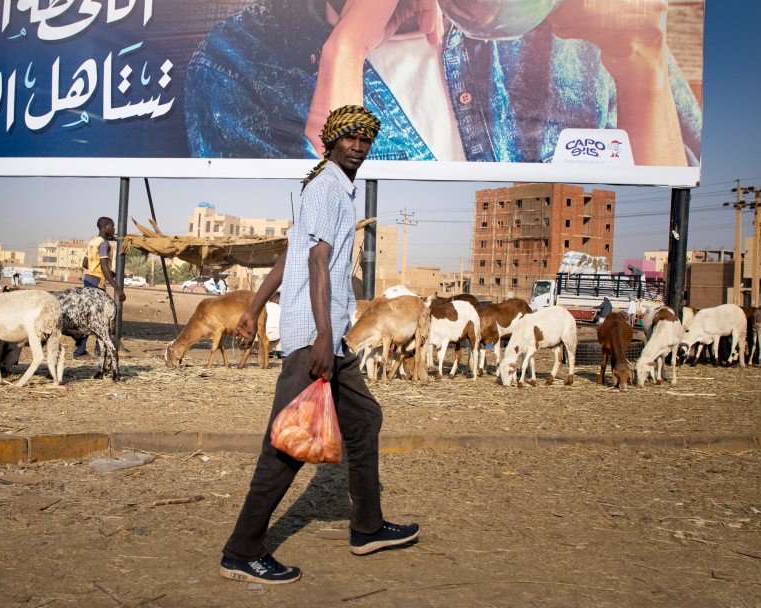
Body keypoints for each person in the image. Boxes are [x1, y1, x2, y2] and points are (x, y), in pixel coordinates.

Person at [221, 105, 419, 585]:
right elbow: (314, 262)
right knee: (288, 444)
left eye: (365, 140)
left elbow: (288, 255)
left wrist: (253, 308)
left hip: (327, 335)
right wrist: (324, 338)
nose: (358, 146)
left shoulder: (329, 190)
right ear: (330, 142)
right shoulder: (328, 187)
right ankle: (242, 551)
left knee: (365, 419)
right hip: (316, 337)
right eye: (349, 138)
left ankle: (367, 527)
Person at [186, 0, 701, 167]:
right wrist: (344, 53)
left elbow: (668, 230)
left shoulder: (597, 26)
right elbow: (312, 259)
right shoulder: (239, 62)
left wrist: (643, 66)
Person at [74, 217, 126, 357]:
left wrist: (109, 272)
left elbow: (86, 263)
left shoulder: (93, 241)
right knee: (100, 317)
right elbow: (103, 267)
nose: (114, 229)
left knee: (87, 316)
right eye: (112, 227)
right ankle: (98, 349)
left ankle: (80, 351)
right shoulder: (104, 244)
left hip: (88, 279)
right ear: (104, 227)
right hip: (98, 282)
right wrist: (117, 288)